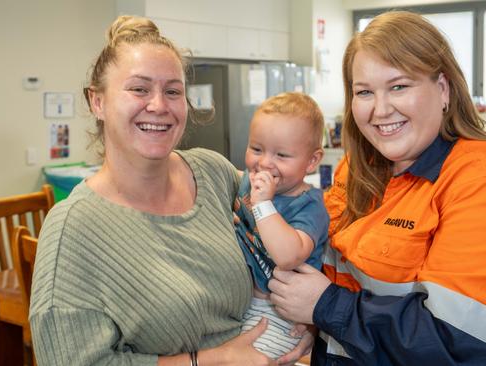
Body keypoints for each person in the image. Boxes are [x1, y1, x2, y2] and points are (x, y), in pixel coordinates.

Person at [268, 11, 486, 366]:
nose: (380, 109)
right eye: (364, 92)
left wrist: (325, 306)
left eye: (399, 86)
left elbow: (461, 347)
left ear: (443, 88)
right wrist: (312, 322)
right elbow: (328, 272)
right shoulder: (360, 170)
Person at [29, 15, 311, 366]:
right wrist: (211, 359)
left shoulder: (213, 173)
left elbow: (294, 219)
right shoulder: (73, 229)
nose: (159, 106)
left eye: (173, 91)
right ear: (97, 102)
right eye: (139, 89)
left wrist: (305, 316)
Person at [234, 92, 329, 359]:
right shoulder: (247, 182)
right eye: (256, 149)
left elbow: (287, 256)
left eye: (282, 155)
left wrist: (263, 204)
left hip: (280, 314)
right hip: (238, 303)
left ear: (312, 161)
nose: (264, 162)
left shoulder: (309, 206)